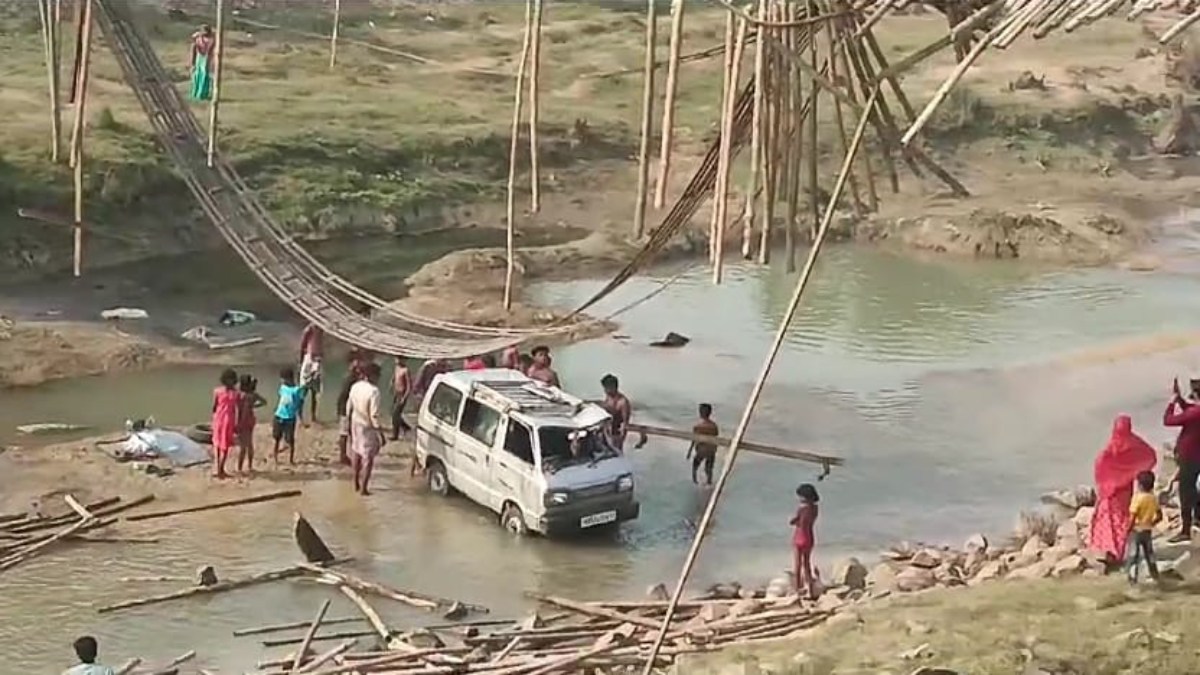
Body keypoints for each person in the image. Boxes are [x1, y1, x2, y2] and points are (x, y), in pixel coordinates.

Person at [1090, 414, 1158, 565]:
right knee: (1120, 518)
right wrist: (1135, 473)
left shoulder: (1112, 446)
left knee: (1107, 517)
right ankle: (1117, 551)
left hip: (1110, 489)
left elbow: (1101, 464)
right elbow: (1150, 455)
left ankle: (1108, 549)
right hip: (1125, 489)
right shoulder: (1134, 443)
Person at [1164, 377, 1200, 542]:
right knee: (1194, 488)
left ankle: (1185, 530)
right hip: (1197, 456)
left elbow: (1168, 420)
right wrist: (1179, 399)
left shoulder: (1194, 413)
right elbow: (1190, 411)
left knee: (1185, 492)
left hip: (1190, 457)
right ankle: (1198, 519)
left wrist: (1172, 403)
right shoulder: (1194, 412)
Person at [348, 361, 386, 495]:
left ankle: (356, 483)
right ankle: (364, 489)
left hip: (355, 421)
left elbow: (349, 406)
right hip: (367, 426)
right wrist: (380, 434)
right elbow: (374, 415)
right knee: (368, 458)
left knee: (356, 451)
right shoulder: (374, 391)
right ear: (374, 376)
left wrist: (348, 422)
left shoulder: (355, 386)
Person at [1127, 470, 1162, 585]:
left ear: (1140, 485)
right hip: (1147, 531)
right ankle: (1155, 576)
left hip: (1136, 531)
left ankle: (1132, 580)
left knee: (1133, 556)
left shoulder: (1137, 498)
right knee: (1149, 555)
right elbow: (1159, 516)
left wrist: (1128, 529)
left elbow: (1133, 516)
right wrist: (1152, 523)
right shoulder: (1153, 498)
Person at [600, 374, 647, 451]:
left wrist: (621, 438)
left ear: (613, 387)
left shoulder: (623, 402)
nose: (604, 391)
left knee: (616, 450)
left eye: (606, 388)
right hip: (607, 429)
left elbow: (625, 423)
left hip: (617, 432)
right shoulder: (609, 397)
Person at [790, 483, 820, 600]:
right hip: (809, 537)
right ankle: (810, 589)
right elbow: (809, 522)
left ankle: (797, 589)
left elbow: (798, 522)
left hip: (799, 537)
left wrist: (793, 521)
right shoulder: (815, 509)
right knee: (807, 564)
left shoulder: (802, 509)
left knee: (797, 565)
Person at [211, 368, 241, 480]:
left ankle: (220, 468)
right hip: (220, 420)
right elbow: (214, 406)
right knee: (218, 444)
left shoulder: (235, 394)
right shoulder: (218, 391)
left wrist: (237, 423)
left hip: (228, 421)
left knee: (225, 445)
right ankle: (219, 468)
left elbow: (237, 409)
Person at [273, 367, 306, 466]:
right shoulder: (282, 388)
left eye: (282, 379)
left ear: (287, 378)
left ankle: (291, 459)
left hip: (290, 417)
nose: (281, 381)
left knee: (290, 439)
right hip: (279, 415)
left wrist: (300, 417)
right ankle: (275, 457)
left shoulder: (296, 390)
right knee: (277, 438)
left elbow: (300, 403)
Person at [236, 374, 266, 474]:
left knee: (242, 446)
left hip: (243, 421)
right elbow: (264, 402)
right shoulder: (253, 395)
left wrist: (238, 424)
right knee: (249, 444)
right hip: (251, 420)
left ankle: (240, 468)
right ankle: (249, 465)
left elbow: (242, 411)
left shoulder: (240, 395)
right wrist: (253, 406)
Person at [334, 365, 361, 466]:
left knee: (347, 434)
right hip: (346, 410)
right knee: (346, 434)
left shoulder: (349, 379)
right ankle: (344, 455)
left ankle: (346, 455)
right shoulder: (350, 381)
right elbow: (343, 397)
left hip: (346, 410)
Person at [687, 403, 720, 485]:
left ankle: (695, 482)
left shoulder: (698, 426)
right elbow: (716, 438)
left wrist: (689, 452)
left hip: (701, 450)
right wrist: (715, 450)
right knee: (709, 468)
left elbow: (694, 439)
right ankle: (709, 483)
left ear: (701, 412)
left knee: (695, 466)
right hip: (711, 450)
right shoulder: (714, 426)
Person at [298, 324, 325, 425]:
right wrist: (301, 360)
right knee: (304, 388)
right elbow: (303, 344)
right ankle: (300, 417)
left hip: (317, 359)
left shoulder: (321, 329)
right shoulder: (309, 328)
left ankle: (313, 416)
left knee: (315, 390)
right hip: (310, 359)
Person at [189, 25, 216, 102]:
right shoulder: (200, 39)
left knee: (203, 75)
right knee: (199, 75)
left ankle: (200, 94)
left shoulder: (209, 40)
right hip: (201, 57)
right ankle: (198, 93)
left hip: (205, 58)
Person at [391, 356, 412, 441]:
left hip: (402, 394)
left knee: (395, 415)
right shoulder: (397, 368)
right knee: (393, 413)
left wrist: (405, 397)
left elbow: (409, 385)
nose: (397, 360)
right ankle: (406, 427)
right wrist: (391, 384)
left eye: (399, 358)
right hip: (396, 392)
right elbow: (394, 377)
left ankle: (395, 435)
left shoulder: (406, 370)